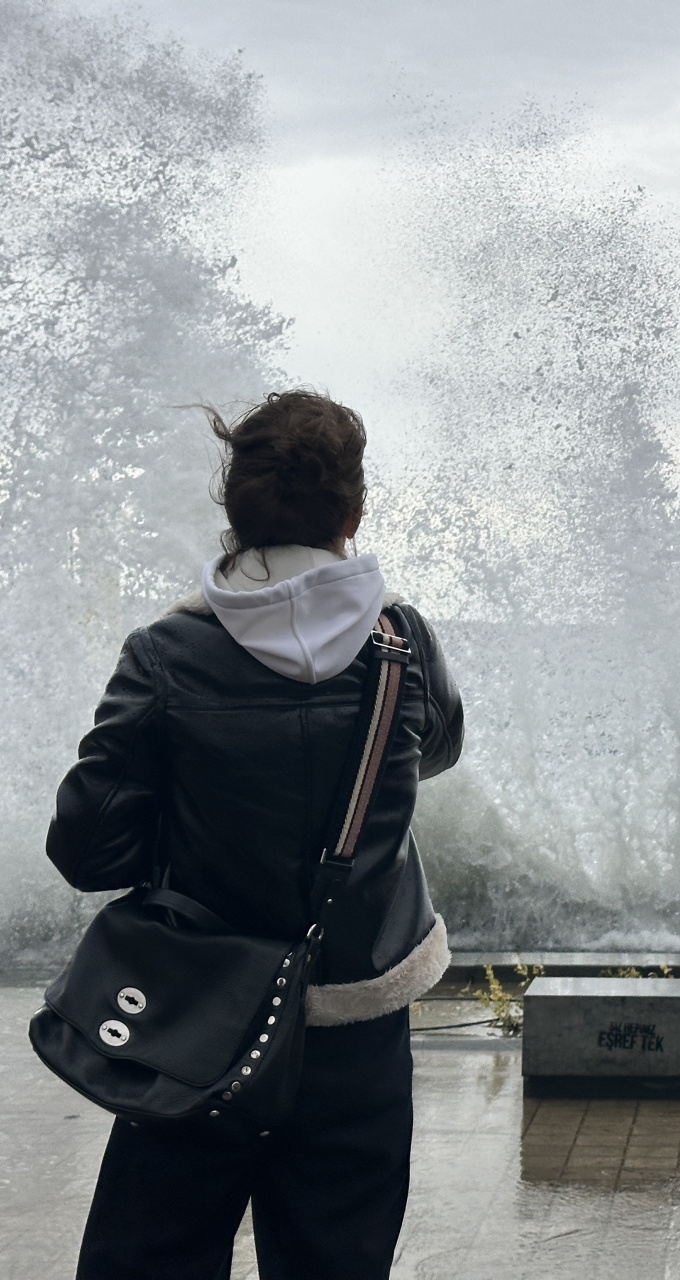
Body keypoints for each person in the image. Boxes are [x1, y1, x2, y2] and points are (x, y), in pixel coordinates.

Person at [45, 390, 464, 1280]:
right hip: (358, 1027)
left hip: (197, 1015)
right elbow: (434, 751)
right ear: (354, 512)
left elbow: (86, 850)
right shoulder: (401, 641)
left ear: (234, 510)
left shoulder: (164, 654)